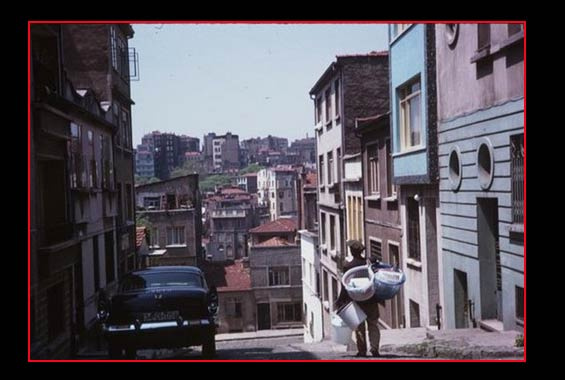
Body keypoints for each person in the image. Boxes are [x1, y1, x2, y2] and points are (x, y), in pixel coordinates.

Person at [335, 240, 381, 357]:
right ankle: (374, 348)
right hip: (371, 299)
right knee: (373, 325)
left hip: (357, 301)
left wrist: (340, 300)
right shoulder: (368, 263)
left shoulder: (348, 266)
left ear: (351, 251)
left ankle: (362, 351)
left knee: (359, 327)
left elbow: (345, 285)